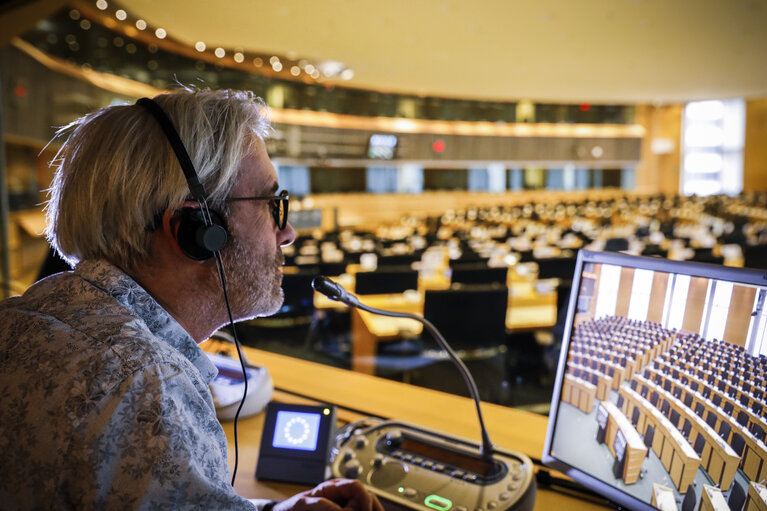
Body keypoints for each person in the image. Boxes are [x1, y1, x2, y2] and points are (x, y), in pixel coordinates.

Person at [0, 88, 383, 511]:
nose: (287, 232)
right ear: (196, 230)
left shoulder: (25, 318)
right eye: (273, 204)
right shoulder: (146, 388)